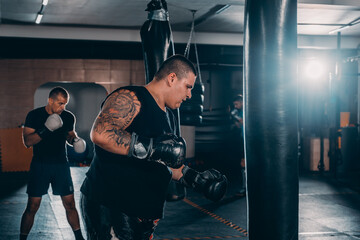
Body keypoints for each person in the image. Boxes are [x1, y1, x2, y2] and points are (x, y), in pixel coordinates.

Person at [80, 54, 227, 240]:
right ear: (172, 78)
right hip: (112, 207)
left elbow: (166, 161)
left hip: (144, 216)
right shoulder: (131, 97)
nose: (190, 94)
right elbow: (101, 133)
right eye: (188, 87)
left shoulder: (170, 116)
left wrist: (196, 179)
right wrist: (153, 148)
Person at [20, 87, 86, 240]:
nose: (63, 107)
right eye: (60, 103)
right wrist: (46, 129)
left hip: (61, 165)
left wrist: (75, 141)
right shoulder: (34, 115)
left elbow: (70, 135)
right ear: (50, 100)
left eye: (65, 104)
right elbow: (28, 142)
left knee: (70, 204)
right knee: (32, 206)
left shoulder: (68, 117)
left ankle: (79, 238)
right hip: (40, 165)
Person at [230, 94, 246, 196]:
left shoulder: (246, 112)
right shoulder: (240, 112)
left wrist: (235, 116)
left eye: (236, 104)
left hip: (249, 142)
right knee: (242, 164)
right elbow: (240, 125)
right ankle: (245, 188)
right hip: (243, 140)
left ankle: (245, 188)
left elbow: (244, 122)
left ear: (242, 103)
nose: (235, 106)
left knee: (244, 164)